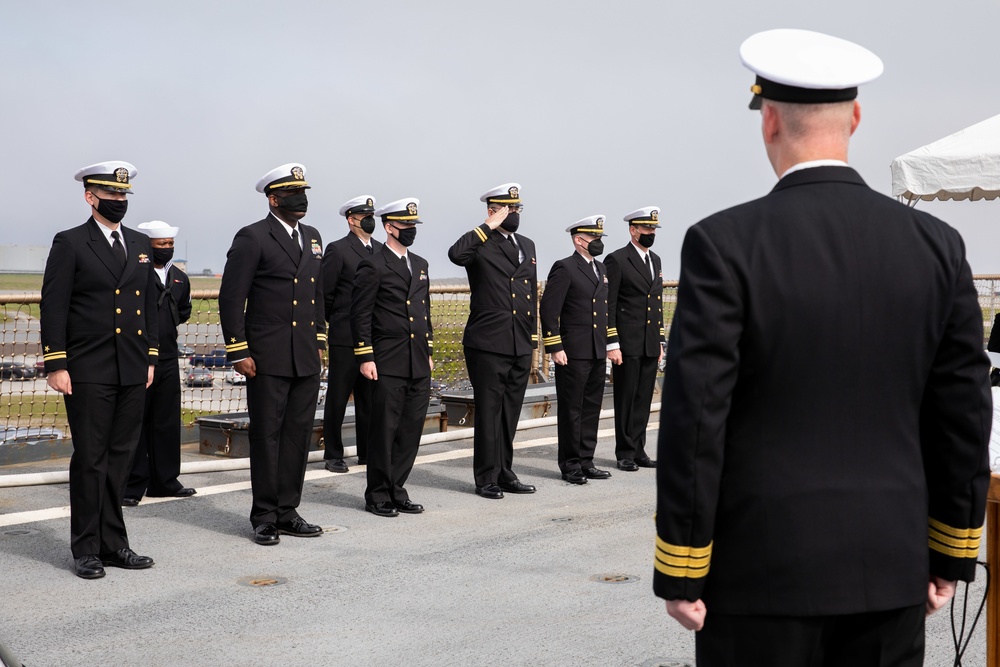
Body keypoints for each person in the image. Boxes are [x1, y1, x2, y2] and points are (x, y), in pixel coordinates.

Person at [654, 29, 991, 667]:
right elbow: (963, 413)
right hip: (890, 571)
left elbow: (697, 416)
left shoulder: (723, 243)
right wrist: (949, 552)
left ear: (769, 120)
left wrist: (683, 562)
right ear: (856, 118)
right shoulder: (937, 245)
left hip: (760, 573)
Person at [40, 161, 158, 579]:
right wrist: (56, 363)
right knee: (91, 459)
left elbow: (148, 306)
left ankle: (115, 543)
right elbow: (53, 305)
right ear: (90, 197)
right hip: (88, 368)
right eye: (111, 196)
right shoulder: (71, 242)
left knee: (121, 458)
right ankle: (86, 548)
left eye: (124, 196)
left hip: (131, 366)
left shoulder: (141, 243)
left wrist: (150, 357)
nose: (119, 202)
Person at [218, 163, 326, 546]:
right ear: (273, 198)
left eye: (304, 193)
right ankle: (264, 516)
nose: (301, 201)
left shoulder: (313, 237)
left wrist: (320, 341)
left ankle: (288, 510)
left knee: (298, 436)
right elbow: (232, 298)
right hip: (266, 356)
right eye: (293, 195)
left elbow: (318, 295)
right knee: (267, 437)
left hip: (304, 357)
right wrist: (238, 350)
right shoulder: (252, 237)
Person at [448, 183, 538, 500]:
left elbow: (530, 294)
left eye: (517, 209)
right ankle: (485, 476)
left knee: (510, 411)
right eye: (508, 209)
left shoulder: (527, 244)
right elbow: (456, 254)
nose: (514, 214)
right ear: (493, 210)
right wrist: (488, 226)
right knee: (489, 411)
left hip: (519, 341)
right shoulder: (481, 242)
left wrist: (533, 338)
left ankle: (505, 472)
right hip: (487, 340)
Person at [351, 198, 433, 518]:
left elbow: (423, 313)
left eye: (414, 226)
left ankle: (397, 489)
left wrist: (428, 352)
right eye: (405, 225)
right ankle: (378, 494)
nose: (411, 230)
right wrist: (365, 356)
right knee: (384, 429)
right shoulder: (373, 264)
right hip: (387, 359)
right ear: (389, 227)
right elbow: (361, 314)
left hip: (417, 359)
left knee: (410, 429)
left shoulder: (421, 264)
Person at [123, 220, 196, 505]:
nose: (166, 249)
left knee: (166, 422)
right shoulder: (135, 274)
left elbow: (184, 311)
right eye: (160, 245)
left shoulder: (179, 278)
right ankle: (132, 484)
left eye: (170, 244)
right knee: (135, 423)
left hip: (167, 357)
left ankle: (165, 481)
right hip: (137, 357)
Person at [539, 216, 613, 485]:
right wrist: (555, 346)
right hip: (572, 351)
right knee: (572, 409)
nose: (598, 243)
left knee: (592, 407)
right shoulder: (565, 268)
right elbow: (549, 310)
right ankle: (570, 465)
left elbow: (605, 310)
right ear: (578, 240)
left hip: (596, 350)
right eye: (594, 238)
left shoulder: (602, 269)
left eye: (600, 238)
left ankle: (586, 460)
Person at [321, 196, 382, 473]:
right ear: (351, 219)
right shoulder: (338, 250)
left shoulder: (380, 251)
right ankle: (333, 453)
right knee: (338, 396)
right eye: (363, 215)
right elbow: (326, 295)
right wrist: (338, 322)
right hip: (345, 336)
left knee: (369, 398)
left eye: (371, 215)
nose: (369, 220)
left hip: (372, 337)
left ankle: (368, 452)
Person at [605, 207, 664, 472]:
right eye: (646, 229)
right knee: (626, 398)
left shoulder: (656, 260)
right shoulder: (617, 260)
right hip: (627, 343)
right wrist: (612, 341)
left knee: (643, 399)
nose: (651, 233)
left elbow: (657, 303)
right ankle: (625, 452)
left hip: (650, 341)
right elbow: (610, 304)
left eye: (653, 229)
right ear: (633, 230)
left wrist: (661, 341)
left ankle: (639, 449)